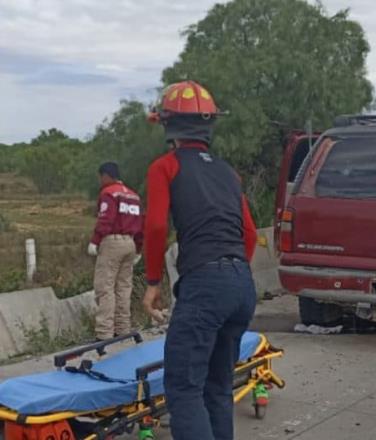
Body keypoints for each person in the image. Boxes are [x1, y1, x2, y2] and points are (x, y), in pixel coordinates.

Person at [141, 80, 258, 440]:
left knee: (184, 388)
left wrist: (152, 282)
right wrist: (233, 271)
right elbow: (250, 235)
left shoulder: (166, 167)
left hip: (205, 284)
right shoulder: (228, 172)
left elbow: (157, 224)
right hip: (241, 285)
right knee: (218, 388)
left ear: (168, 125)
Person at [88, 162, 143, 341]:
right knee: (124, 287)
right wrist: (139, 248)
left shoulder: (108, 193)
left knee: (105, 287)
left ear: (105, 175)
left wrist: (95, 240)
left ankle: (104, 332)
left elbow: (106, 219)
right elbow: (141, 223)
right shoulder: (134, 196)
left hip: (112, 242)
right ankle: (123, 327)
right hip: (130, 243)